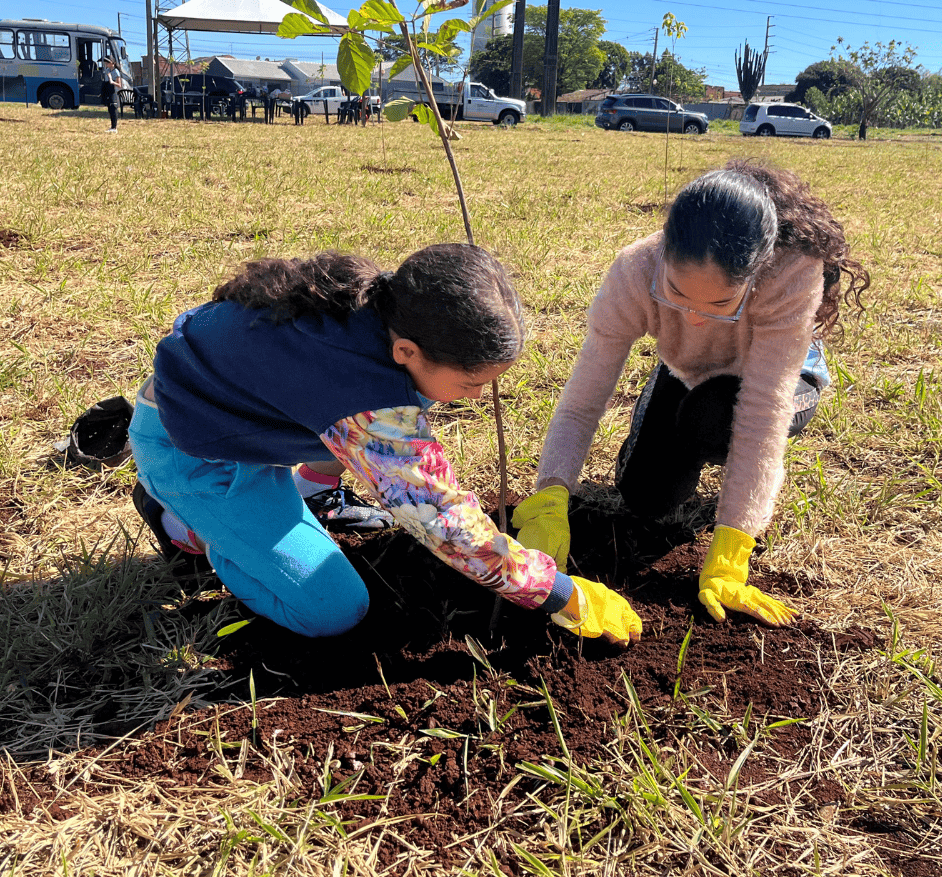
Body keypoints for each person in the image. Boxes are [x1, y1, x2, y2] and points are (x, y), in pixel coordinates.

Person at [128, 244, 641, 646]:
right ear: (406, 350)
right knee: (333, 609)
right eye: (470, 383)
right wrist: (556, 592)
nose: (479, 396)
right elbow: (440, 518)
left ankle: (306, 493)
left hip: (243, 413)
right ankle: (183, 523)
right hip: (196, 452)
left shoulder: (389, 310)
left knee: (398, 416)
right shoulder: (363, 401)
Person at [511, 158, 869, 628]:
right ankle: (675, 419)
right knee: (647, 500)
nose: (695, 318)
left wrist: (733, 547)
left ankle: (706, 442)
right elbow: (583, 400)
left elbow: (763, 412)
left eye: (720, 303)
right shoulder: (635, 270)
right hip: (687, 369)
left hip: (773, 380)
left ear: (757, 274)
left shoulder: (793, 273)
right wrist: (552, 492)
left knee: (715, 415)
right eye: (677, 295)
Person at [100, 56, 121, 133]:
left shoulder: (116, 72)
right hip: (107, 90)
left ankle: (114, 128)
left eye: (108, 62)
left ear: (112, 63)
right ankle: (112, 127)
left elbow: (119, 84)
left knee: (113, 108)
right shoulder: (107, 70)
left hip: (113, 91)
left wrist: (111, 81)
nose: (106, 64)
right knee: (109, 108)